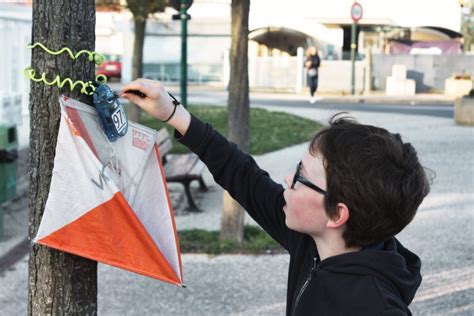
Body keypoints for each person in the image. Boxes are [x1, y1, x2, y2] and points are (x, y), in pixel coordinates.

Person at [121, 79, 431, 316]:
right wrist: (173, 112)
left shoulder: (373, 306)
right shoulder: (313, 240)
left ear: (337, 214)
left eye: (301, 176)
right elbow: (242, 174)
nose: (287, 180)